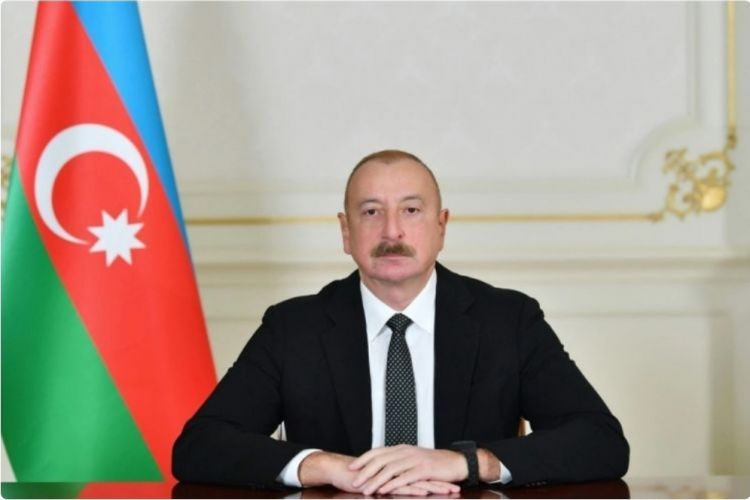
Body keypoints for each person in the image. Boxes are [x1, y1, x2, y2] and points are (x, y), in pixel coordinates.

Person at [173, 150, 629, 495]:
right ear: (346, 231)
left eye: (411, 210)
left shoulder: (508, 320)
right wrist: (328, 467)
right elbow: (200, 446)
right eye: (371, 212)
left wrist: (468, 463)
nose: (392, 231)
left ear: (441, 226)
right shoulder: (294, 327)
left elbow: (600, 441)